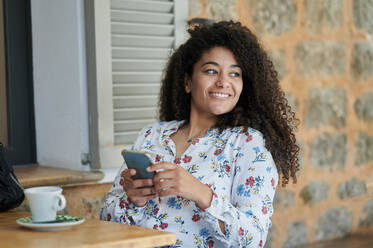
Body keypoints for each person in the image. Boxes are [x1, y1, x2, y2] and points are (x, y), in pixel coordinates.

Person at [100, 21, 299, 248]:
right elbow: (105, 220)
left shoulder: (248, 144)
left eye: (235, 74)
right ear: (187, 82)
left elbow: (253, 239)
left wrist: (201, 194)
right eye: (211, 71)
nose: (223, 82)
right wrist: (133, 201)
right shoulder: (152, 135)